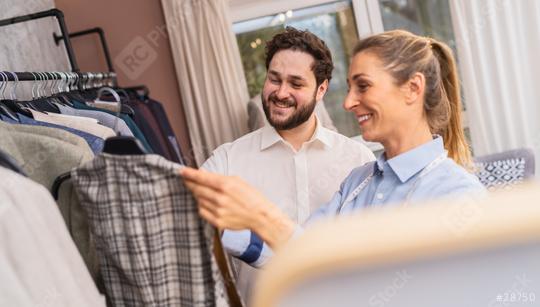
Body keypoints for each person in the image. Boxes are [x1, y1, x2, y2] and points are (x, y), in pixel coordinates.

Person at [182, 29, 485, 272]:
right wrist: (226, 228)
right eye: (274, 79)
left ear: (413, 89)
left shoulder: (459, 194)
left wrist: (261, 215)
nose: (348, 102)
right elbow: (304, 253)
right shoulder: (358, 181)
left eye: (363, 86)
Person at [201, 27, 375, 302]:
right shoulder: (227, 160)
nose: (281, 93)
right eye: (274, 79)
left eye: (295, 84)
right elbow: (188, 222)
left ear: (321, 89)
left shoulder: (358, 160)